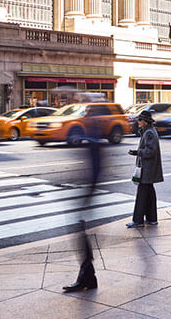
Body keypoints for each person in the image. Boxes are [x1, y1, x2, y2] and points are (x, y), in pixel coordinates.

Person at [64, 105, 103, 293]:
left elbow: (96, 166)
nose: (84, 120)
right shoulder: (91, 136)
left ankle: (86, 277)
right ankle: (89, 277)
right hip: (88, 191)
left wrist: (86, 196)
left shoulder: (93, 137)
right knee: (80, 232)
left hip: (90, 193)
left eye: (86, 117)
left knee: (79, 230)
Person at [127, 110, 163, 228]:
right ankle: (152, 219)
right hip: (149, 168)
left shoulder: (149, 133)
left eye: (140, 120)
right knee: (149, 194)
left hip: (147, 169)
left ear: (145, 121)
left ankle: (138, 221)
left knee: (142, 195)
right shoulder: (148, 131)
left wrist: (137, 152)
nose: (138, 122)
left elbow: (150, 152)